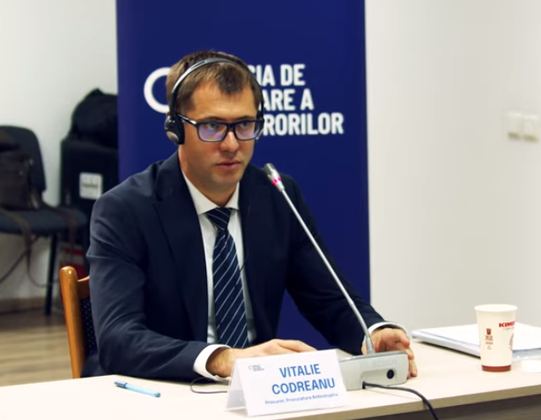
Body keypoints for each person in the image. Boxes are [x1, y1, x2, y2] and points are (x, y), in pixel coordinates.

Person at [85, 50, 416, 382]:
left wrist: (372, 332)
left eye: (244, 125)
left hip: (261, 394)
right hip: (164, 392)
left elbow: (329, 299)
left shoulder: (277, 196)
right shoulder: (126, 210)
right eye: (213, 126)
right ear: (175, 128)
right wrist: (223, 359)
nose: (231, 145)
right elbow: (118, 339)